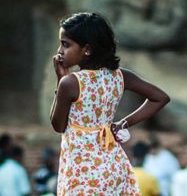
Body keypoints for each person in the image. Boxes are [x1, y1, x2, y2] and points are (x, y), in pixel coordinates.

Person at [50, 12, 170, 195]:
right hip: (113, 167)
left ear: (87, 49)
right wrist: (123, 123)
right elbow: (160, 97)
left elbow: (58, 125)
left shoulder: (71, 83)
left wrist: (60, 80)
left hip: (83, 173)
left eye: (66, 44)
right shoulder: (120, 76)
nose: (60, 51)